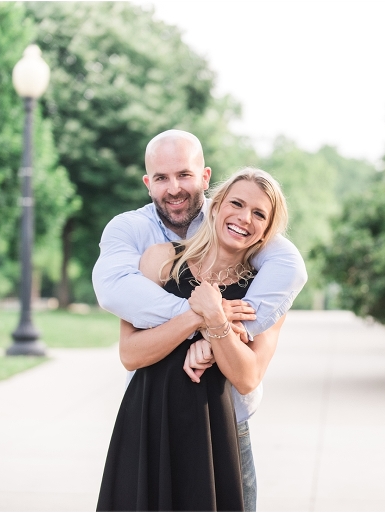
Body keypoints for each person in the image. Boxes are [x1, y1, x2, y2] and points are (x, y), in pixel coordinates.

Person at [92, 130, 307, 511]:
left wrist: (216, 332)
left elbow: (248, 375)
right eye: (162, 177)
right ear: (218, 206)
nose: (244, 218)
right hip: (151, 420)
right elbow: (129, 352)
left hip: (225, 428)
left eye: (259, 214)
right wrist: (201, 315)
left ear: (206, 182)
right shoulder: (156, 256)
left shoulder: (265, 287)